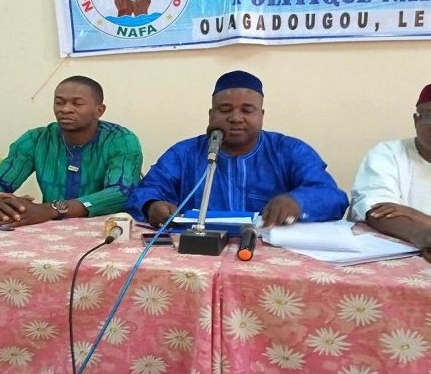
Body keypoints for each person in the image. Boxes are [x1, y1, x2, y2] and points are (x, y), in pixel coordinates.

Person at [127, 70, 348, 227]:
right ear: (211, 114)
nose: (235, 118)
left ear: (261, 115)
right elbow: (145, 192)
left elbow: (332, 197)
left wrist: (298, 202)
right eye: (225, 110)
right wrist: (151, 206)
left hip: (269, 255)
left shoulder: (289, 150)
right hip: (197, 254)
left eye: (247, 110)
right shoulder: (183, 154)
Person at [0, 75, 143, 227]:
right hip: (48, 231)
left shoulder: (121, 141)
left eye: (77, 103)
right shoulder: (36, 139)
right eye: (59, 102)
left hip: (105, 230)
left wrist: (51, 209)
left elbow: (121, 193)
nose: (65, 109)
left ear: (99, 110)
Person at [350, 84, 431, 262]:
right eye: (430, 116)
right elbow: (377, 210)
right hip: (397, 261)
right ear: (416, 120)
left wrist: (416, 215)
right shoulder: (388, 153)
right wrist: (425, 237)